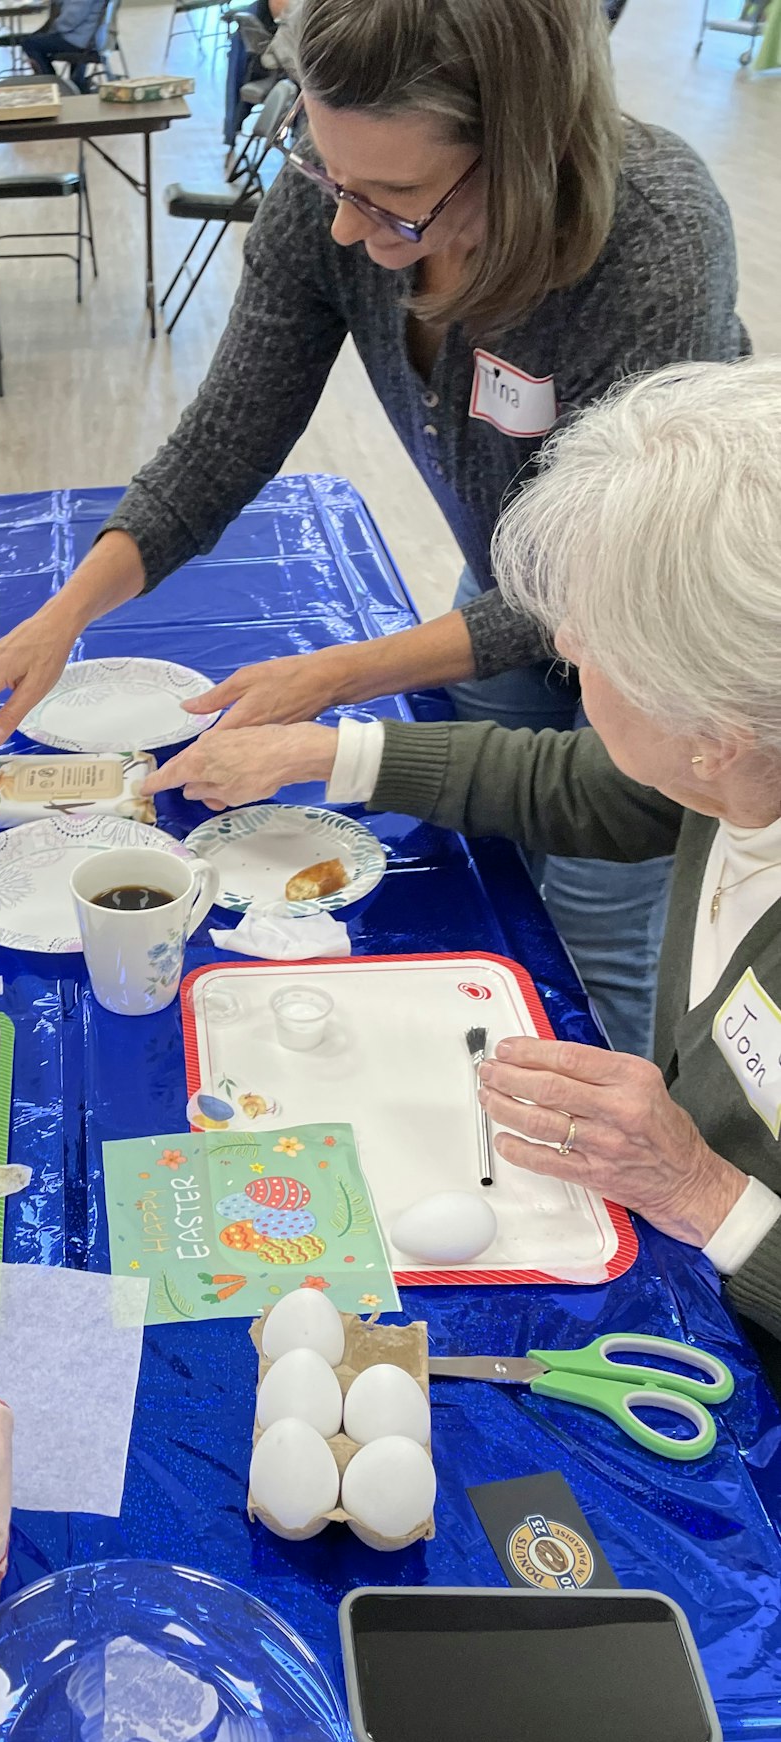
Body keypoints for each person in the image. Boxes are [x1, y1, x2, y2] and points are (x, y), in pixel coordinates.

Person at [0, 0, 748, 1058]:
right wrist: (61, 617)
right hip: (506, 589)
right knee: (481, 872)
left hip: (657, 642)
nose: (343, 226)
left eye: (397, 202)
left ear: (527, 147)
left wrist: (334, 678)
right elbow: (225, 440)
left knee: (599, 941)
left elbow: (591, 578)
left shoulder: (652, 233)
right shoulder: (343, 190)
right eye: (329, 178)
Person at [150, 358, 781, 1370]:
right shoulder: (736, 765)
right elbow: (589, 782)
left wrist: (704, 1191)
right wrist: (329, 751)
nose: (564, 643)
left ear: (712, 729)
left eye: (595, 647)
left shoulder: (730, 756)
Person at [0, 0, 108, 89]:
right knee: (36, 39)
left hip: (77, 40)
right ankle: (65, 82)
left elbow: (71, 19)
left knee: (29, 43)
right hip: (88, 38)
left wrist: (53, 29)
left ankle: (52, 83)